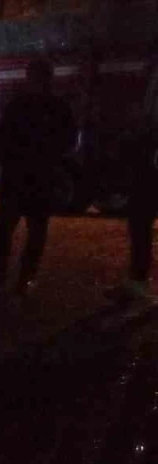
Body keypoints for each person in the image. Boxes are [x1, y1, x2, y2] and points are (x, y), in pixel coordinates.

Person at [0, 58, 76, 297]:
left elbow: (2, 137)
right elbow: (67, 140)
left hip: (23, 177)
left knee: (15, 230)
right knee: (29, 230)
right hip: (32, 177)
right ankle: (20, 277)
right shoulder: (52, 107)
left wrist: (11, 161)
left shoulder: (23, 105)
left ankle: (8, 276)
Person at [113, 69, 158, 302]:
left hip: (151, 162)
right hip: (148, 162)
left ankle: (138, 281)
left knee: (140, 222)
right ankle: (137, 280)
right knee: (139, 222)